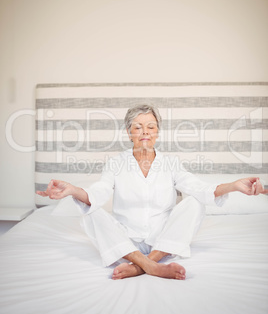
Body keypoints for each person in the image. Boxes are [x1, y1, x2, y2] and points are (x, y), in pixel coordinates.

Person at [37, 103, 267, 280]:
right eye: (137, 127)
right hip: (126, 239)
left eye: (151, 126)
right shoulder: (116, 163)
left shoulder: (171, 163)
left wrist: (235, 185)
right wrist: (71, 190)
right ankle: (153, 267)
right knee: (92, 210)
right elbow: (99, 192)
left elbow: (201, 189)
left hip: (162, 241)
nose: (144, 132)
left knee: (195, 201)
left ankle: (142, 265)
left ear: (157, 132)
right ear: (129, 133)